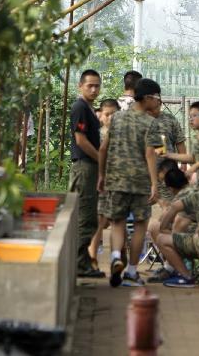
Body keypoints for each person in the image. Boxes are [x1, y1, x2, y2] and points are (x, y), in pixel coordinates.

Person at [98, 78, 162, 287]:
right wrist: (154, 183)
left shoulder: (116, 118)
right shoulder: (150, 123)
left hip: (115, 179)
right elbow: (150, 153)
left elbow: (103, 149)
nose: (158, 102)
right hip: (140, 182)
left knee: (117, 222)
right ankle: (132, 272)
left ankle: (116, 255)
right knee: (140, 225)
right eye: (157, 98)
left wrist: (101, 175)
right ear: (149, 97)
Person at [69, 69, 105, 278]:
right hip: (84, 166)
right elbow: (81, 140)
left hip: (90, 167)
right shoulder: (80, 107)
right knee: (85, 216)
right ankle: (79, 264)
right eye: (90, 85)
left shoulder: (89, 108)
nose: (94, 89)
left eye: (97, 85)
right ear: (80, 86)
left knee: (89, 215)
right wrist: (100, 158)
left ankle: (81, 263)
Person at [88, 97, 122, 271]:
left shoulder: (121, 135)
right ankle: (92, 257)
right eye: (107, 114)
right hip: (102, 182)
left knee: (115, 221)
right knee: (100, 221)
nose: (110, 118)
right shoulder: (97, 134)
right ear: (100, 115)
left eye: (114, 114)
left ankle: (115, 259)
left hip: (117, 182)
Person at [148, 98, 186, 206]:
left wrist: (183, 164)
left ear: (160, 103)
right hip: (146, 170)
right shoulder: (141, 119)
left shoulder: (170, 119)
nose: (152, 110)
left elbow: (180, 142)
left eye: (155, 106)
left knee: (168, 203)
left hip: (167, 169)